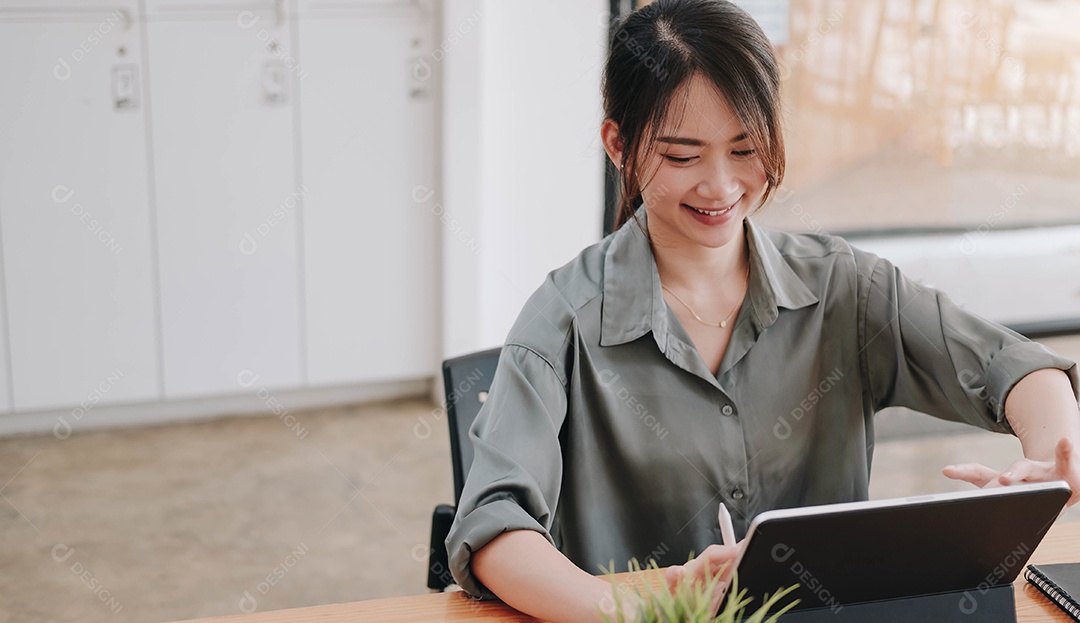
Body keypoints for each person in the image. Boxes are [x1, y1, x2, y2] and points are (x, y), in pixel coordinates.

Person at [445, 1, 1080, 621]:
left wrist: (1057, 454)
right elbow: (495, 528)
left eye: (746, 149)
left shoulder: (844, 288)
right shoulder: (563, 320)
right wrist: (639, 610)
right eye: (682, 156)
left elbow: (1011, 364)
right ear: (619, 144)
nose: (720, 186)